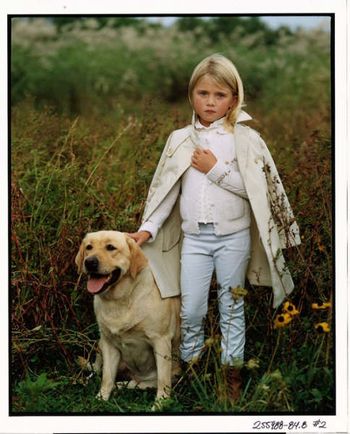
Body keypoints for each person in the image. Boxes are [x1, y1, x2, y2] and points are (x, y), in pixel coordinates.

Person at [128, 53, 300, 401]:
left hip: (233, 239)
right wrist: (147, 229)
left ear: (234, 98)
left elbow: (257, 192)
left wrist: (214, 169)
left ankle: (230, 379)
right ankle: (191, 372)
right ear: (192, 95)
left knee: (231, 307)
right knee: (191, 310)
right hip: (194, 240)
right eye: (203, 93)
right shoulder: (179, 139)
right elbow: (166, 193)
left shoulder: (246, 139)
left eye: (220, 95)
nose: (210, 102)